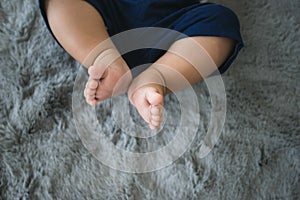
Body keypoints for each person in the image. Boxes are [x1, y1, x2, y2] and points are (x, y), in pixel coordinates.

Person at [39, 0, 243, 130]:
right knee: (60, 3)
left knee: (221, 22)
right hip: (108, 12)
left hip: (174, 21)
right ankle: (104, 56)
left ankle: (158, 76)